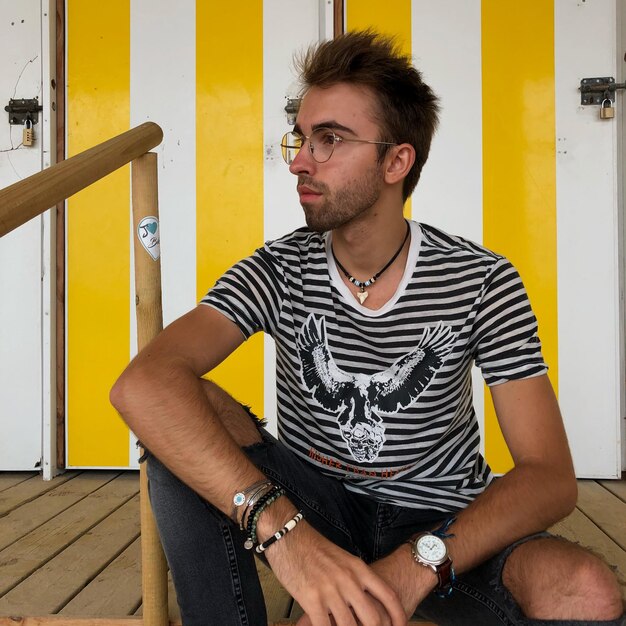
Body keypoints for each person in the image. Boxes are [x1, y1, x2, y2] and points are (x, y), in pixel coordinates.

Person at [110, 30, 625, 626]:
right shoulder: (277, 268)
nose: (301, 160)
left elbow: (551, 477)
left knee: (586, 588)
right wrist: (290, 542)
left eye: (329, 139)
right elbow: (141, 384)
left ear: (397, 161)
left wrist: (411, 567)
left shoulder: (481, 279)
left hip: (442, 522)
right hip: (313, 510)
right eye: (300, 139)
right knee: (179, 405)